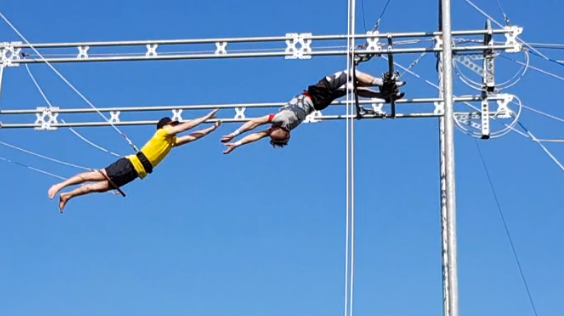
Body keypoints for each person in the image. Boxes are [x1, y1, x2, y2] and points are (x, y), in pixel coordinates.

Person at [47, 111, 219, 212]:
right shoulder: (162, 134)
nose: (175, 127)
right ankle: (59, 186)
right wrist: (207, 116)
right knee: (92, 177)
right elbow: (187, 127)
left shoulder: (171, 142)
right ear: (165, 126)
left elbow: (191, 137)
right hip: (129, 165)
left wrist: (211, 129)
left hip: (135, 173)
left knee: (97, 188)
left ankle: (67, 195)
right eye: (172, 125)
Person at [221, 69, 404, 153]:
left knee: (352, 88)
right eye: (273, 134)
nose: (270, 132)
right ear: (284, 134)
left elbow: (255, 134)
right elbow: (254, 124)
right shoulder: (280, 119)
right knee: (350, 74)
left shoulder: (279, 127)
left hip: (319, 104)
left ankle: (384, 97)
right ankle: (384, 84)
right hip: (315, 95)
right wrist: (234, 135)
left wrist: (236, 142)